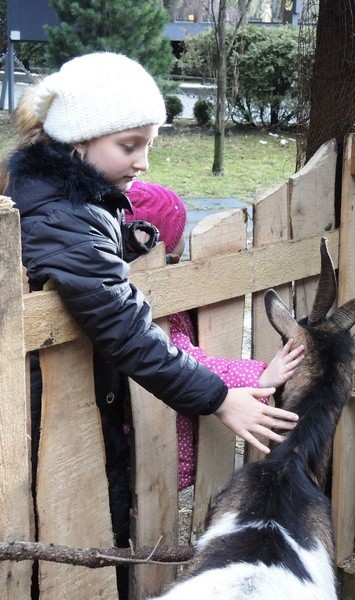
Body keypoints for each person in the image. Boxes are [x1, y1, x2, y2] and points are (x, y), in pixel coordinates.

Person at [2, 52, 301, 598]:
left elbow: (87, 257)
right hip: (51, 408)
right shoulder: (61, 216)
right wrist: (217, 397)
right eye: (129, 145)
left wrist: (128, 241)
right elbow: (124, 327)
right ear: (79, 141)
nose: (143, 163)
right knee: (76, 520)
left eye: (149, 145)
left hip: (70, 397)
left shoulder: (63, 196)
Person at [125, 180, 305, 489]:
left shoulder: (146, 301)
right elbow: (180, 359)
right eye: (173, 257)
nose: (181, 256)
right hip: (148, 449)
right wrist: (258, 376)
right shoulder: (146, 315)